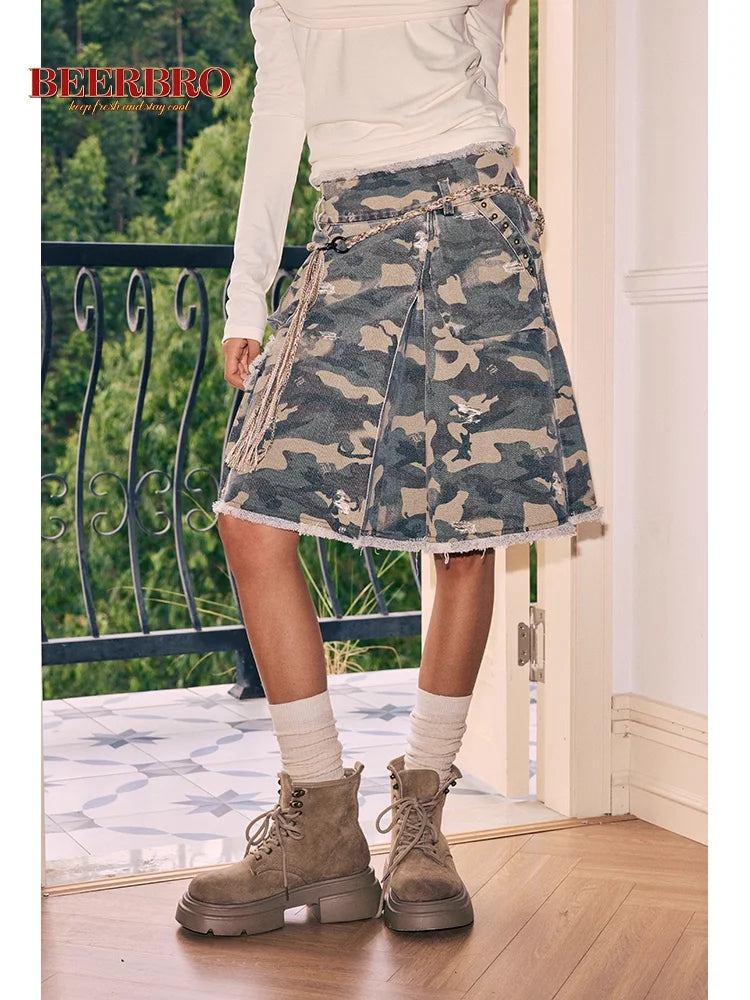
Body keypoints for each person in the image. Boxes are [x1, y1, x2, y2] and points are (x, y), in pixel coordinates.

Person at [175, 0, 603, 937]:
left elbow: (484, 59)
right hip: (349, 232)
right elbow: (277, 118)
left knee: (468, 537)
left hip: (473, 224)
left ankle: (421, 822)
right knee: (250, 520)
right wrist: (247, 298)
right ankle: (321, 829)